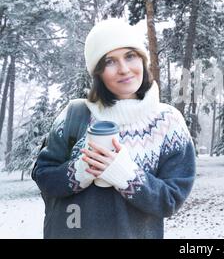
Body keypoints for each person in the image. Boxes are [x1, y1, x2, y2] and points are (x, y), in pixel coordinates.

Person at [32, 18, 196, 239]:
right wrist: (79, 172)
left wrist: (127, 175)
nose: (124, 69)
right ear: (97, 72)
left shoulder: (168, 122)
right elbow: (43, 176)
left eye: (130, 56)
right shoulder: (74, 114)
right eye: (109, 61)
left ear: (143, 60)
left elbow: (170, 199)